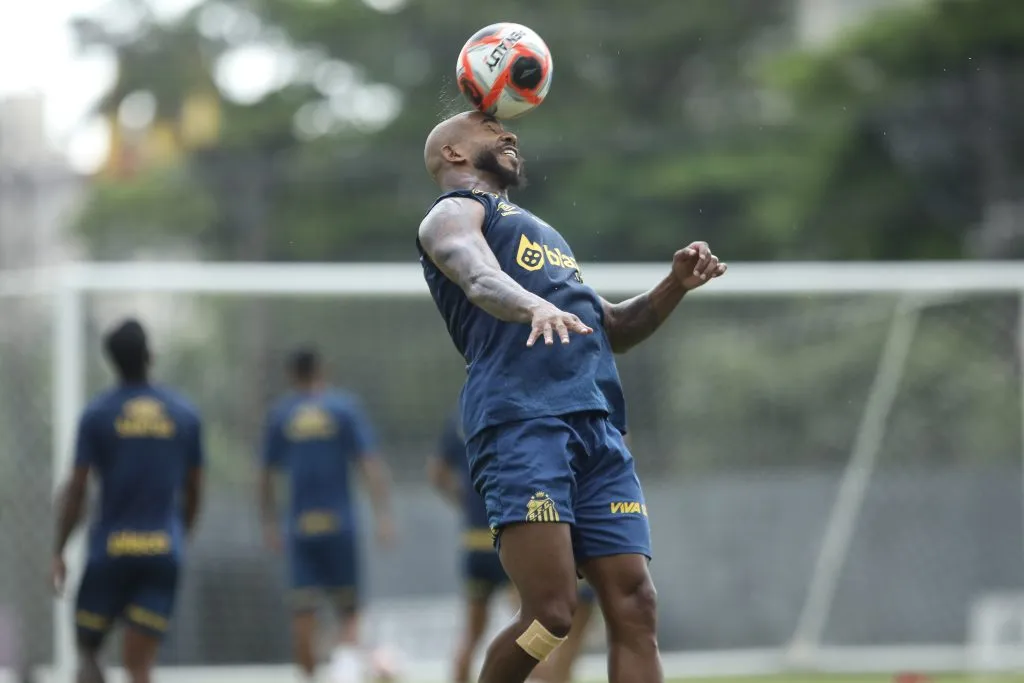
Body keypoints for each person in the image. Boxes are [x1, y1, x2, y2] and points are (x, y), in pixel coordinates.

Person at [417, 111, 727, 683]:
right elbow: (479, 277)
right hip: (522, 423)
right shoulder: (453, 214)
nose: (509, 133)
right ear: (454, 153)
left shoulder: (542, 232)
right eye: (488, 128)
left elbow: (613, 328)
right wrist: (532, 305)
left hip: (597, 430)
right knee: (551, 614)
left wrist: (674, 285)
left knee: (636, 605)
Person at [52, 318, 205, 683]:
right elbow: (195, 487)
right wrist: (181, 534)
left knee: (89, 649)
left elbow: (77, 489)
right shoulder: (184, 414)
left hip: (111, 550)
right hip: (161, 548)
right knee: (140, 665)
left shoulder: (98, 414)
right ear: (151, 355)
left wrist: (58, 549)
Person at [429, 411, 598, 683]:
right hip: (513, 536)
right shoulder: (526, 410)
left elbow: (437, 472)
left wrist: (467, 500)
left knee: (473, 634)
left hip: (476, 540)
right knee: (539, 630)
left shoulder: (461, 417)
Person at [260, 347, 395, 683]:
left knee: (303, 614)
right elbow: (369, 463)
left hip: (300, 528)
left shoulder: (281, 414)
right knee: (349, 614)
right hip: (340, 525)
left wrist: (269, 523)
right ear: (323, 369)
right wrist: (383, 515)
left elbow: (265, 475)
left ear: (291, 375)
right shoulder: (344, 408)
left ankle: (309, 677)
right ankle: (345, 671)